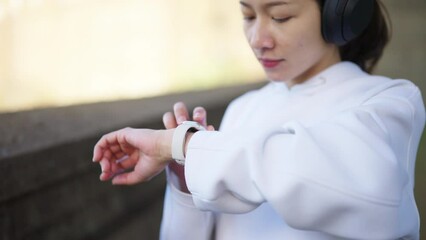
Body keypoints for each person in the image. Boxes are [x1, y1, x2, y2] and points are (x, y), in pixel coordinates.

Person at [92, 0, 425, 239]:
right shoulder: (243, 109)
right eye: (247, 14)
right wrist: (184, 180)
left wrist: (187, 146)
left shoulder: (389, 101)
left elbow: (359, 189)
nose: (257, 39)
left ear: (340, 14)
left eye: (280, 16)